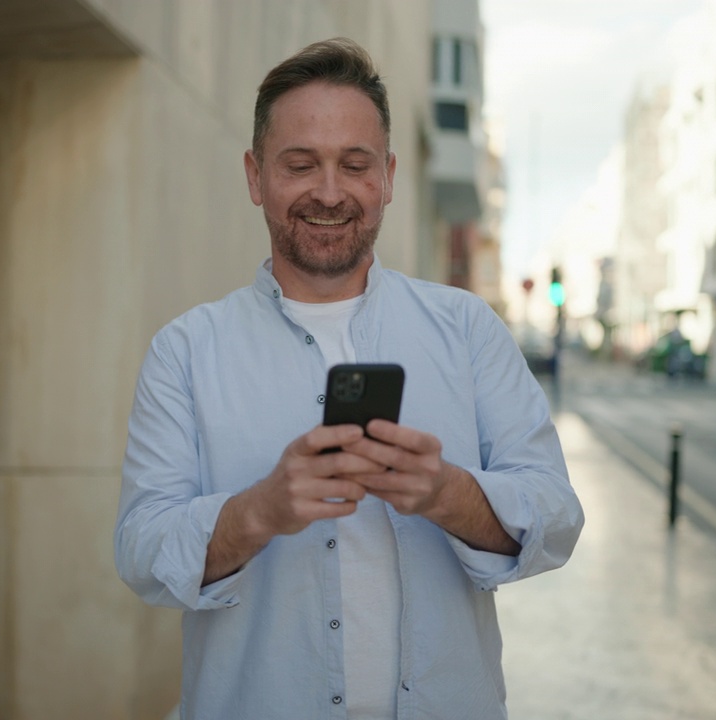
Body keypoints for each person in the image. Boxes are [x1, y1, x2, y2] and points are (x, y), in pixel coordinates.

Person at [114, 37, 583, 720]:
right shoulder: (183, 351)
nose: (329, 192)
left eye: (354, 164)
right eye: (300, 164)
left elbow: (558, 516)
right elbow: (140, 551)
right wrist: (261, 510)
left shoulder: (468, 328)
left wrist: (448, 492)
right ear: (254, 175)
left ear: (388, 176)